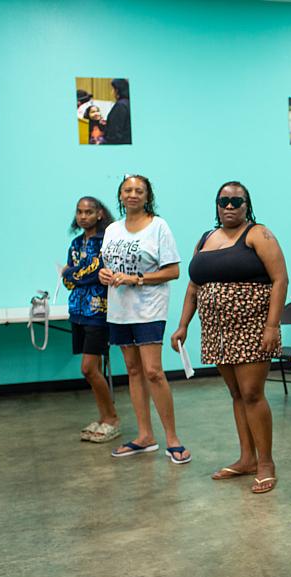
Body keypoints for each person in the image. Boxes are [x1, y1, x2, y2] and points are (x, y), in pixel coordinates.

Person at [170, 181, 287, 493]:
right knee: (237, 394)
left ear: (247, 205)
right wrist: (182, 325)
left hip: (252, 327)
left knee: (252, 393)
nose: (230, 206)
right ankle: (246, 458)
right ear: (217, 205)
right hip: (217, 330)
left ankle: (265, 463)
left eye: (237, 201)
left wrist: (272, 327)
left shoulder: (258, 234)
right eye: (225, 201)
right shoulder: (206, 238)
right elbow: (194, 286)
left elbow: (279, 280)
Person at [99, 175, 191, 464]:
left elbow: (173, 271)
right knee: (133, 370)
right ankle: (144, 436)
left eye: (139, 190)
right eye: (128, 190)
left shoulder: (159, 226)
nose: (133, 194)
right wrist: (103, 274)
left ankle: (172, 439)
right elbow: (107, 266)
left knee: (153, 371)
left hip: (149, 309)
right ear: (120, 196)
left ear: (147, 196)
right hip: (119, 311)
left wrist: (137, 278)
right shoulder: (112, 229)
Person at [62, 196, 119, 443]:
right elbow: (66, 280)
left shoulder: (104, 241)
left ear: (99, 215)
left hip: (98, 311)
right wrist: (74, 275)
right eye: (79, 212)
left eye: (88, 212)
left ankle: (112, 419)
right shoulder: (76, 243)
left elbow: (94, 271)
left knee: (88, 368)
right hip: (77, 310)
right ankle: (103, 417)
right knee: (91, 370)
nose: (83, 216)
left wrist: (73, 274)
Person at [105, 78, 131, 145]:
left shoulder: (120, 105)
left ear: (117, 90)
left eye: (113, 89)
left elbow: (113, 135)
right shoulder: (128, 102)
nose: (112, 92)